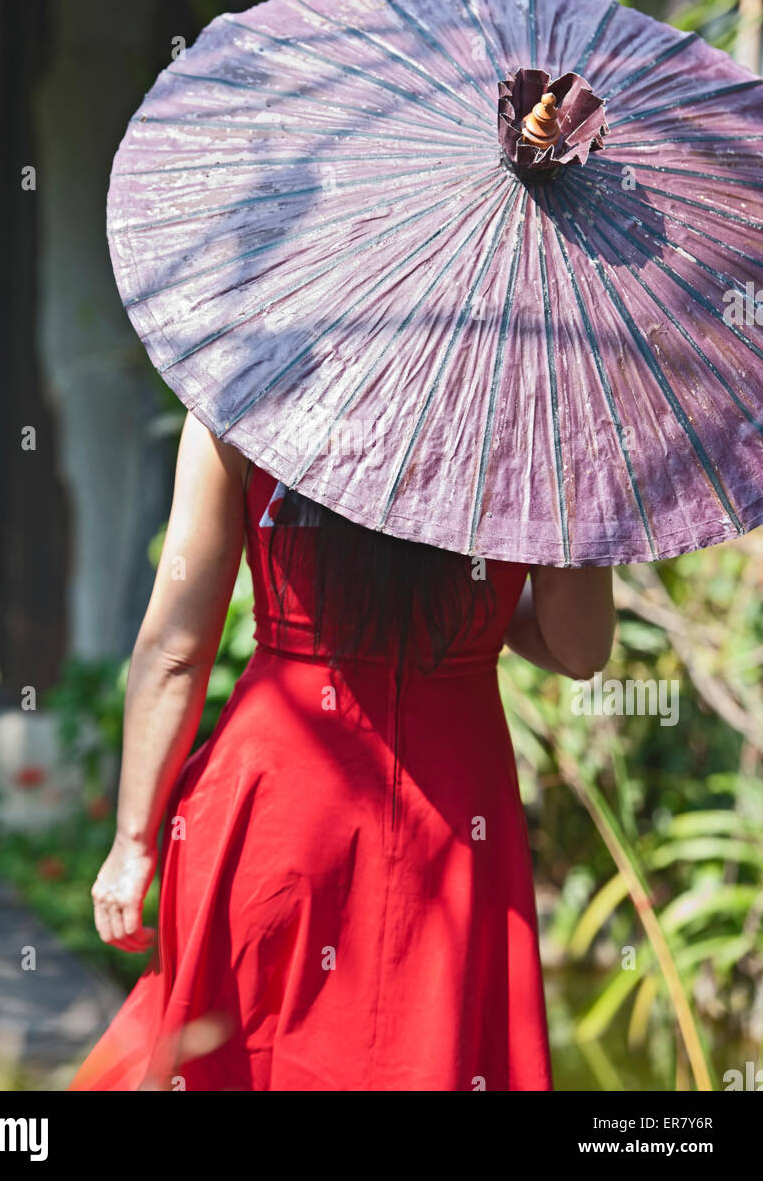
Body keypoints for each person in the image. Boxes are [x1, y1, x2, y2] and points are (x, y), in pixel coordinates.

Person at [69, 411, 615, 1092]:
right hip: (450, 809)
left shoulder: (240, 403)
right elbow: (578, 648)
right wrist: (478, 602)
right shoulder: (540, 429)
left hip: (277, 798)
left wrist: (133, 844)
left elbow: (176, 653)